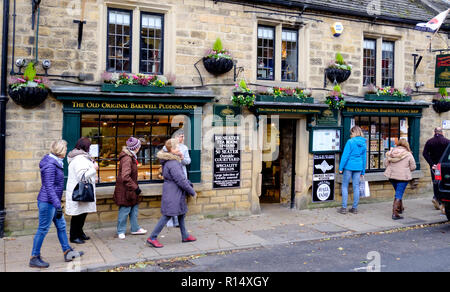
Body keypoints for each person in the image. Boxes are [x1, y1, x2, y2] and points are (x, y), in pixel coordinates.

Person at [29, 140, 84, 268]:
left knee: (61, 226)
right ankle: (34, 257)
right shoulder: (50, 165)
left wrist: (57, 204)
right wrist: (57, 205)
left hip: (52, 202)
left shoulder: (55, 162)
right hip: (47, 203)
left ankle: (67, 252)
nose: (66, 151)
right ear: (60, 151)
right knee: (42, 229)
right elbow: (49, 187)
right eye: (64, 149)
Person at [146, 138, 197, 248]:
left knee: (181, 213)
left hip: (174, 191)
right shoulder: (173, 163)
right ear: (172, 149)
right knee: (167, 215)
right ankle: (152, 237)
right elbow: (180, 180)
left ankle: (185, 235)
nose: (179, 148)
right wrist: (191, 191)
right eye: (177, 147)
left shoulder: (172, 160)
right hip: (174, 192)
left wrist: (180, 158)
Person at [65, 137, 98, 244]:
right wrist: (94, 169)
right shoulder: (80, 159)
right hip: (79, 191)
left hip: (82, 190)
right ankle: (74, 236)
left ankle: (80, 233)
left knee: (82, 214)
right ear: (85, 147)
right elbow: (82, 176)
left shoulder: (83, 157)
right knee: (77, 215)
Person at [113, 137, 147, 239]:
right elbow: (125, 176)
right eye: (139, 145)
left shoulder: (131, 156)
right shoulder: (127, 158)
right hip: (125, 190)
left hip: (130, 189)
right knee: (124, 210)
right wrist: (135, 187)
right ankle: (121, 231)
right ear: (136, 148)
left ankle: (135, 228)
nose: (140, 147)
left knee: (134, 209)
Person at [163, 130, 191, 227]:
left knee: (180, 198)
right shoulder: (166, 147)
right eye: (180, 136)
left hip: (181, 175)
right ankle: (172, 220)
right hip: (171, 176)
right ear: (175, 137)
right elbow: (163, 160)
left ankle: (179, 221)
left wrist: (182, 158)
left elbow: (188, 161)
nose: (182, 138)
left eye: (183, 136)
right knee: (172, 199)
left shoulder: (184, 148)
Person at [384, 139, 417, 220]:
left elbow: (386, 164)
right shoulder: (408, 154)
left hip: (392, 176)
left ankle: (400, 208)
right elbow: (413, 167)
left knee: (398, 192)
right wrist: (406, 169)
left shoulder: (390, 153)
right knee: (399, 194)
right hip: (403, 177)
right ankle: (395, 213)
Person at [338, 126, 367, 214]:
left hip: (349, 166)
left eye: (351, 133)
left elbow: (345, 155)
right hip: (358, 167)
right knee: (356, 187)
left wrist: (340, 168)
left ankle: (343, 208)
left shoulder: (350, 142)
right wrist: (363, 171)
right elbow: (364, 158)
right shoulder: (364, 143)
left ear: (354, 133)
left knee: (344, 186)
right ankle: (354, 208)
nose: (350, 135)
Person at [423, 127, 450, 214]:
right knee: (445, 183)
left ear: (434, 132)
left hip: (435, 167)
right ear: (442, 132)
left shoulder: (430, 141)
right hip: (444, 166)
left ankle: (436, 198)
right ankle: (442, 201)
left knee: (436, 182)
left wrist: (432, 164)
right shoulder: (447, 141)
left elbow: (425, 153)